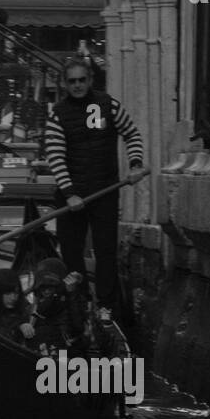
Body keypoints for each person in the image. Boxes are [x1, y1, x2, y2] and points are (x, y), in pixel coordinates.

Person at [44, 56, 144, 320]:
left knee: (105, 251)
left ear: (90, 80)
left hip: (105, 191)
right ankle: (79, 304)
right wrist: (70, 193)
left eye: (81, 80)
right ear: (65, 84)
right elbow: (55, 156)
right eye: (72, 81)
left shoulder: (109, 105)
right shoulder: (58, 114)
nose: (77, 85)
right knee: (71, 253)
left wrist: (135, 164)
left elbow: (131, 134)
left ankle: (106, 308)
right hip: (71, 195)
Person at [22, 257, 100, 355]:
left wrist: (71, 293)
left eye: (50, 288)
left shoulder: (71, 300)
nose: (46, 291)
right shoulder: (33, 308)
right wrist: (22, 325)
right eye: (43, 287)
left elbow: (78, 326)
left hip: (66, 354)